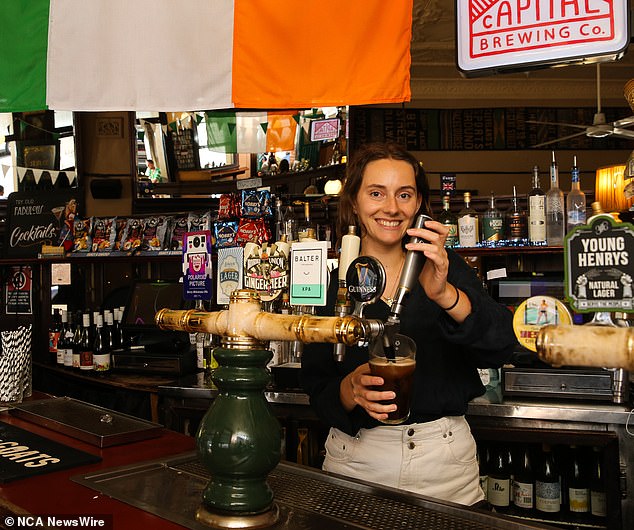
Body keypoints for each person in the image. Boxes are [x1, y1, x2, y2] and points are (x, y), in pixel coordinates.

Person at [301, 142, 517, 506]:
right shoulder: (334, 286)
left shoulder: (444, 269)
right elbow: (316, 387)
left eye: (404, 194)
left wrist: (445, 293)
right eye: (376, 193)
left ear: (418, 204)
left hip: (444, 464)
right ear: (354, 201)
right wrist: (348, 390)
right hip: (356, 463)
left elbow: (501, 346)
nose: (391, 208)